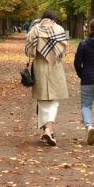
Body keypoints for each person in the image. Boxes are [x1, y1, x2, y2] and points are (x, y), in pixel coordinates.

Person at [25, 9, 69, 146]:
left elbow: (28, 51)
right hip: (55, 67)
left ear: (43, 17)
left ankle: (47, 130)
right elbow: (64, 51)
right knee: (54, 101)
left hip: (39, 67)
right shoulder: (59, 29)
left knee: (43, 101)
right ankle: (48, 130)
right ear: (54, 18)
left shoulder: (35, 30)